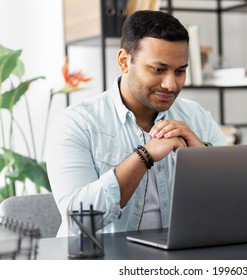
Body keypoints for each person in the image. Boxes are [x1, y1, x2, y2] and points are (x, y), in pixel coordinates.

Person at [46, 10, 227, 237]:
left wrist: (202, 156)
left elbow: (234, 202)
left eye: (180, 71)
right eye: (158, 69)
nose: (171, 84)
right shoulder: (76, 124)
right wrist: (144, 156)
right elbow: (79, 219)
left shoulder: (197, 118)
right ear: (124, 61)